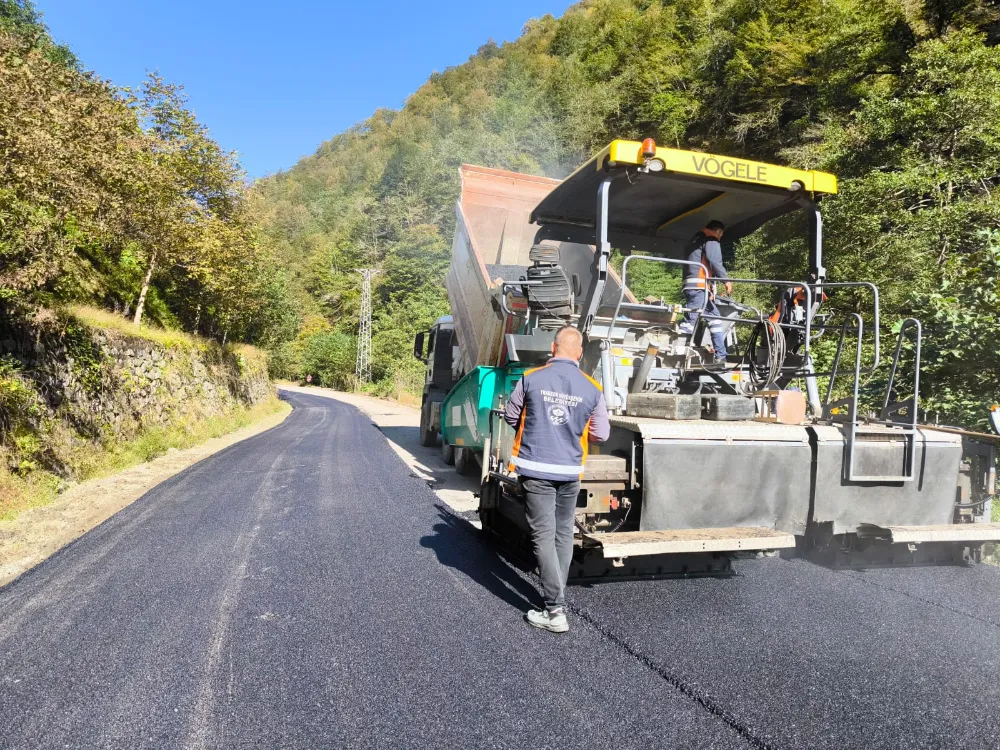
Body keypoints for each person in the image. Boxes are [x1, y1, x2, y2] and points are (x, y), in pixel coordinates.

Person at [503, 325, 610, 633]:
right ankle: (556, 600)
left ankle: (554, 610)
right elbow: (601, 433)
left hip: (535, 469)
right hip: (569, 471)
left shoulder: (531, 377)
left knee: (542, 536)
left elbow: (512, 416)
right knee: (563, 534)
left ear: (553, 348)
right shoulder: (592, 387)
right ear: (578, 353)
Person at [679, 220, 734, 364]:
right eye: (721, 235)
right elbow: (715, 262)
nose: (720, 238)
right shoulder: (711, 239)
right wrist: (726, 281)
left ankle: (720, 356)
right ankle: (678, 352)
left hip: (693, 285)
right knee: (690, 320)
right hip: (698, 285)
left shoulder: (695, 240)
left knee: (715, 319)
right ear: (718, 232)